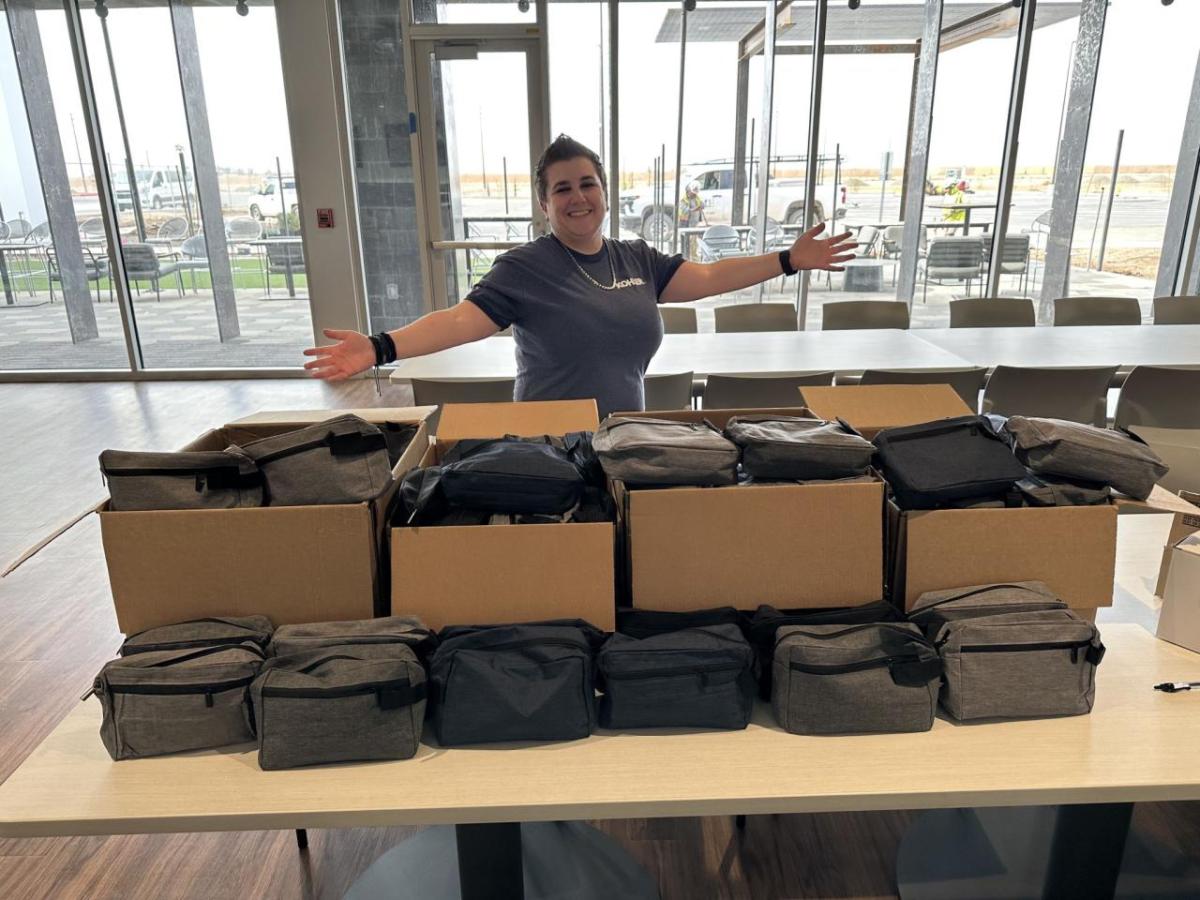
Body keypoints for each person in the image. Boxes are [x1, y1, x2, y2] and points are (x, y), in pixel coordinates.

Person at [304, 135, 856, 417]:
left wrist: (787, 259)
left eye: (587, 184)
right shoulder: (525, 268)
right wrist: (379, 348)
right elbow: (457, 322)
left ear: (605, 193)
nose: (577, 197)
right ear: (545, 204)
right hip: (550, 443)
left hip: (624, 438)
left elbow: (709, 277)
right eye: (562, 188)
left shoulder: (636, 258)